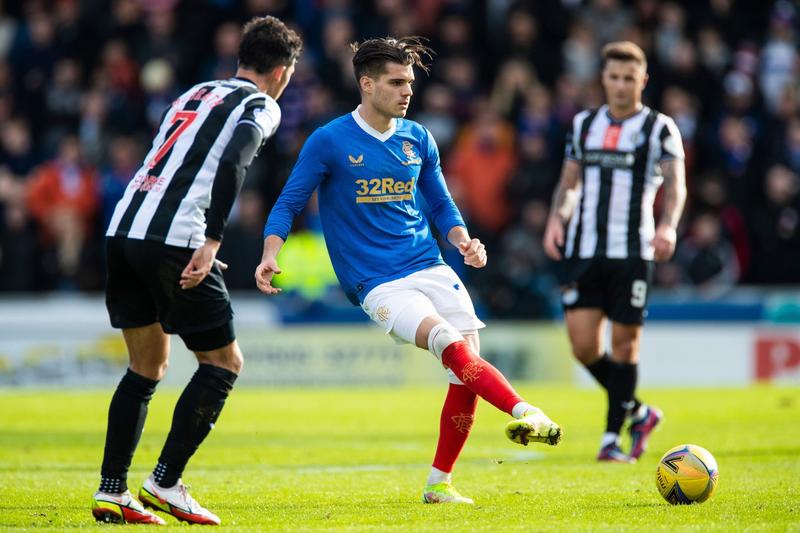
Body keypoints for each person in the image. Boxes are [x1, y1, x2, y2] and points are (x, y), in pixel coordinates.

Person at [255, 36, 562, 505]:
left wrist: (463, 241)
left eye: (410, 83)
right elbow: (289, 201)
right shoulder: (330, 140)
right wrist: (270, 251)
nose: (407, 92)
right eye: (397, 82)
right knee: (447, 343)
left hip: (430, 266)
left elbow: (440, 202)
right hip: (376, 282)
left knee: (464, 376)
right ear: (367, 83)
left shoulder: (417, 137)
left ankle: (439, 484)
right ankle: (525, 409)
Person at [92, 16, 302, 525]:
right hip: (177, 239)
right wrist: (209, 239)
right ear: (282, 70)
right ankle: (164, 482)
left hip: (125, 231)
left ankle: (112, 491)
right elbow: (235, 160)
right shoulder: (261, 104)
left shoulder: (196, 92)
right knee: (224, 363)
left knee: (146, 367)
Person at [543, 41, 687, 463]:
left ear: (642, 80)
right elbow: (570, 182)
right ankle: (639, 411)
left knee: (625, 344)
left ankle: (612, 439)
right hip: (586, 249)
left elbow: (676, 185)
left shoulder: (660, 128)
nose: (621, 85)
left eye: (629, 78)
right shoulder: (584, 124)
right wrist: (558, 218)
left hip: (633, 251)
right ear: (602, 79)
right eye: (614, 77)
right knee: (583, 346)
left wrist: (668, 226)